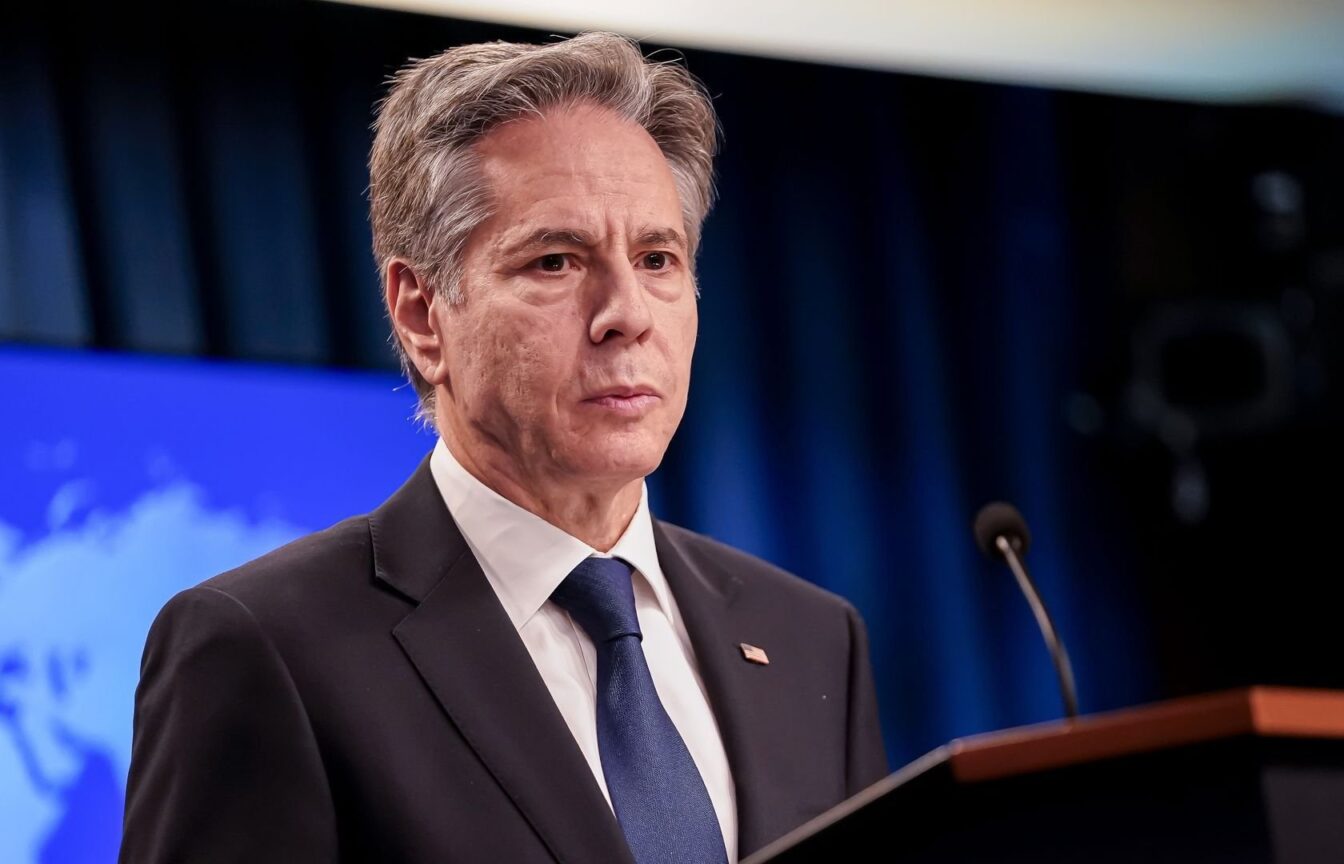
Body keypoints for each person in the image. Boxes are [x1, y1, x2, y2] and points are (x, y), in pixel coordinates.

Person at [119, 31, 886, 864]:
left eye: (657, 258)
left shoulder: (812, 639)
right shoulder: (266, 648)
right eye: (556, 261)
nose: (627, 314)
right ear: (421, 314)